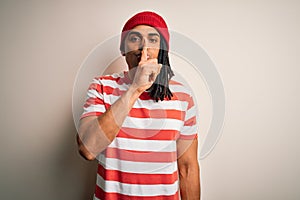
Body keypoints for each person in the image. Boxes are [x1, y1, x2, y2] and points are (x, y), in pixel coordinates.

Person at [77, 11, 200, 200]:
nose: (144, 47)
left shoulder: (182, 96)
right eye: (135, 38)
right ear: (123, 49)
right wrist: (135, 88)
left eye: (153, 40)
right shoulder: (101, 87)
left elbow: (187, 167)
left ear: (162, 51)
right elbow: (88, 149)